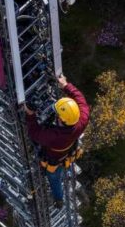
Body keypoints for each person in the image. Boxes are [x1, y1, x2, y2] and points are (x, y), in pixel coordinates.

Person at [23, 74, 89, 208]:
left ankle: (59, 198)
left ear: (62, 120)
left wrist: (30, 114)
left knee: (54, 179)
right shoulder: (82, 119)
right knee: (57, 175)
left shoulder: (53, 136)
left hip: (55, 161)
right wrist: (65, 85)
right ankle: (58, 199)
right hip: (68, 151)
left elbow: (34, 133)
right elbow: (81, 99)